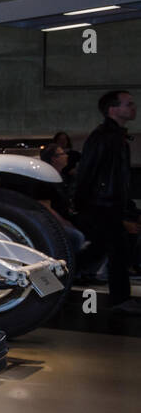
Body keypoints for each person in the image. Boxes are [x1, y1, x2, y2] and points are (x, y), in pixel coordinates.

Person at [74, 90, 139, 314]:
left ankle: (57, 276)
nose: (133, 107)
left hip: (108, 204)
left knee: (101, 249)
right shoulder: (104, 137)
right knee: (116, 250)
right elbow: (87, 171)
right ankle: (120, 299)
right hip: (102, 205)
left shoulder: (116, 137)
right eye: (128, 104)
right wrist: (81, 203)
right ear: (113, 110)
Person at [36, 144, 85, 253]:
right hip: (54, 222)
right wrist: (64, 223)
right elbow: (45, 207)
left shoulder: (62, 177)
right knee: (76, 236)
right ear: (54, 159)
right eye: (62, 154)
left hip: (67, 217)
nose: (66, 156)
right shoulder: (45, 180)